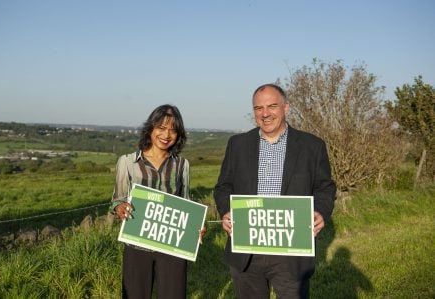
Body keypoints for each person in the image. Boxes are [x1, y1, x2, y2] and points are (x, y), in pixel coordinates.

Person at [214, 84, 336, 299]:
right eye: (258, 108)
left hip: (291, 250)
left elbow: (325, 188)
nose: (265, 114)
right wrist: (225, 211)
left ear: (286, 108)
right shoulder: (238, 144)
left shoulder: (312, 146)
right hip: (247, 249)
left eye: (272, 106)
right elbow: (224, 186)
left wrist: (319, 211)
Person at [111, 104, 203, 299]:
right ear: (151, 128)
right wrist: (120, 207)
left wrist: (195, 225)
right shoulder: (127, 162)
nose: (166, 134)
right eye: (161, 128)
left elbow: (186, 203)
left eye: (173, 130)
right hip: (137, 246)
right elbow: (117, 199)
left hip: (173, 247)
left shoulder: (182, 166)